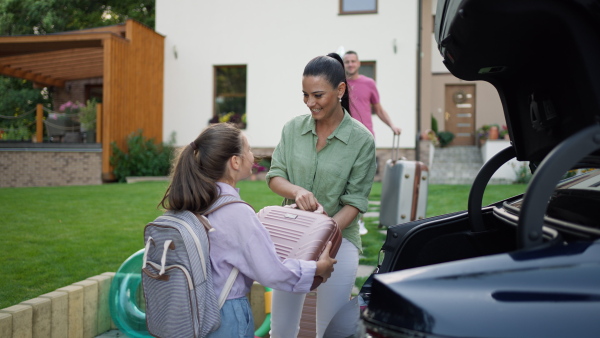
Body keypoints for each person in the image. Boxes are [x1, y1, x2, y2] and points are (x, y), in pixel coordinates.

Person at [158, 123, 337, 337]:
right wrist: (317, 268)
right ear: (235, 161)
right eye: (249, 150)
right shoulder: (235, 212)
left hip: (194, 309)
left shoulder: (196, 200)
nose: (253, 156)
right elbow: (271, 272)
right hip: (225, 315)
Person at [266, 53, 377, 337]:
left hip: (339, 242)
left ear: (340, 90)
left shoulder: (362, 141)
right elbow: (275, 176)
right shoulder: (293, 129)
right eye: (304, 95)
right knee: (281, 328)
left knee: (330, 330)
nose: (309, 103)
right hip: (292, 239)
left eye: (317, 95)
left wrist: (323, 236)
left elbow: (355, 202)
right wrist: (297, 190)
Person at [344, 50, 402, 235]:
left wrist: (392, 125)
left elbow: (378, 109)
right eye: (347, 62)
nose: (350, 64)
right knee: (345, 181)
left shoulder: (369, 84)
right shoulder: (339, 85)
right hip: (344, 139)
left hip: (366, 139)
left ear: (359, 63)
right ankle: (346, 220)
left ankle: (359, 221)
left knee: (362, 181)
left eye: (353, 61)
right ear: (343, 64)